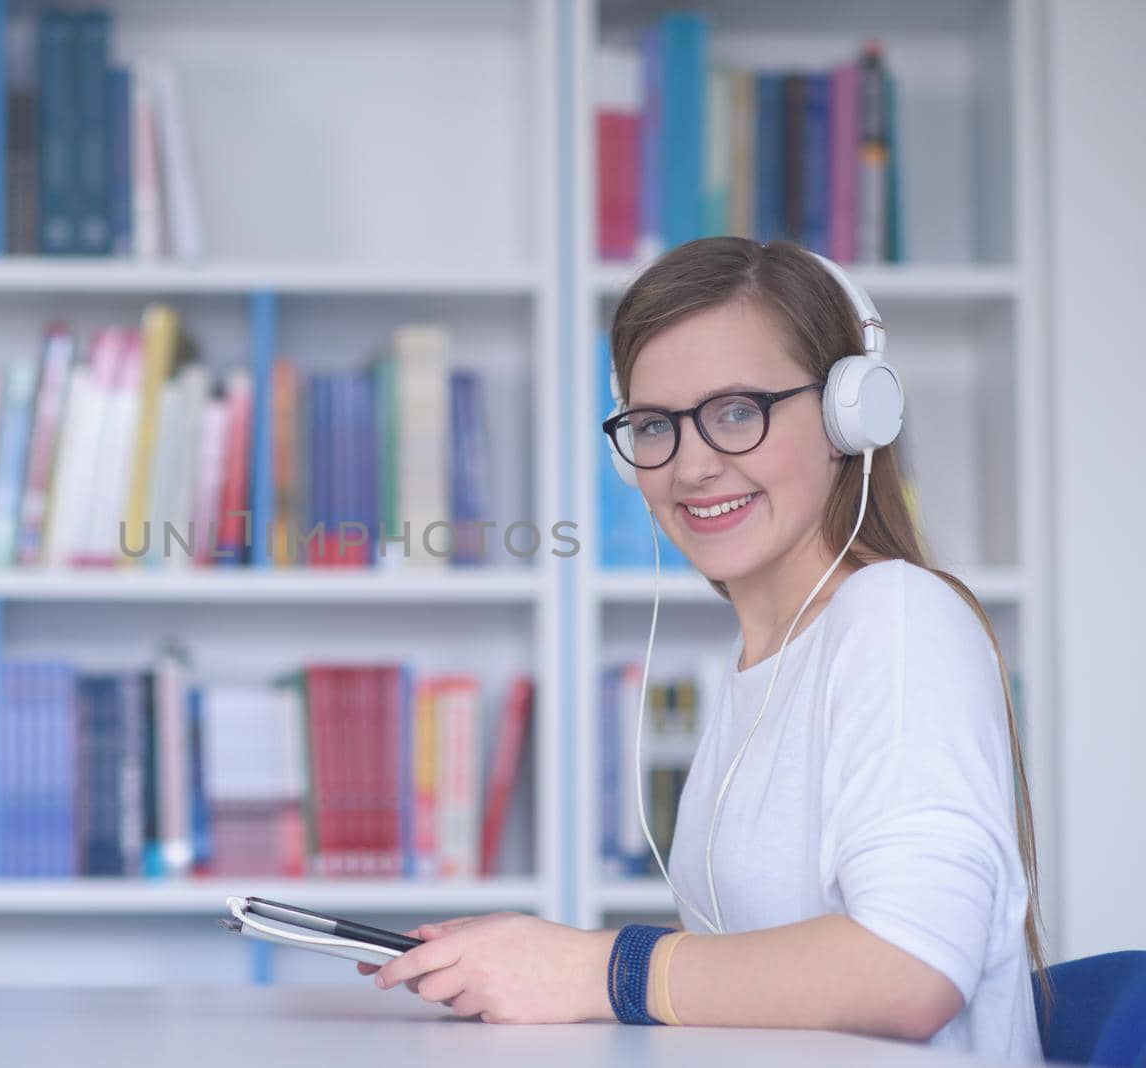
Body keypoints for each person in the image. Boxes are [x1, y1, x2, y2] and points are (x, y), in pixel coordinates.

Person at [361, 237, 1045, 1060]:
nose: (691, 467)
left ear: (847, 416)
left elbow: (910, 969)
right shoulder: (764, 663)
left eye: (735, 412)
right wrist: (522, 961)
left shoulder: (898, 618)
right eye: (655, 426)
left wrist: (590, 970)